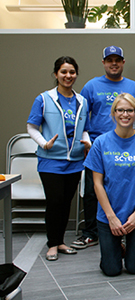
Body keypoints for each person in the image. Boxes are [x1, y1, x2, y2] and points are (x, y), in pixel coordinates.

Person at [84, 93, 135, 276]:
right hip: (109, 214)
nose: (125, 114)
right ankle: (116, 249)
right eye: (120, 110)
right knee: (111, 270)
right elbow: (97, 184)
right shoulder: (101, 143)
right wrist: (111, 217)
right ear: (113, 113)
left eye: (130, 110)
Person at [71, 45, 135, 250]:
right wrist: (85, 140)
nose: (114, 63)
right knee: (92, 191)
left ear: (123, 62)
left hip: (128, 147)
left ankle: (127, 230)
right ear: (103, 63)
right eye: (110, 60)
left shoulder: (134, 87)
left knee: (127, 189)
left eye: (117, 60)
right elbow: (80, 117)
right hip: (97, 148)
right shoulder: (91, 86)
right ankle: (91, 233)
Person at [27, 56, 91, 261]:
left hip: (74, 161)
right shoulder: (44, 99)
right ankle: (52, 244)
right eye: (63, 72)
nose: (68, 76)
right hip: (50, 160)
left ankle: (61, 241)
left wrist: (86, 142)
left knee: (65, 203)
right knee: (54, 202)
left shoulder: (82, 101)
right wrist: (43, 143)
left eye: (72, 72)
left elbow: (84, 130)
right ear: (56, 74)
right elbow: (31, 127)